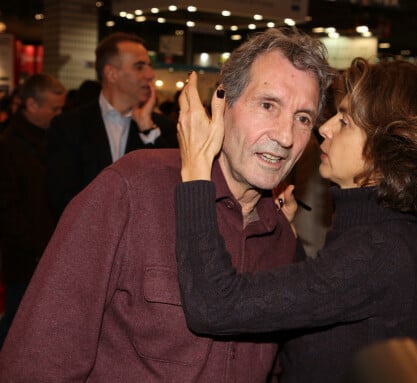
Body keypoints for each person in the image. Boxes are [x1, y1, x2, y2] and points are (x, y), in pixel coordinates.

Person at [0, 27, 334, 381]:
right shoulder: (131, 190)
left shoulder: (281, 238)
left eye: (303, 118)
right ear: (222, 104)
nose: (285, 136)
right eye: (268, 105)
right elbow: (38, 359)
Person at [174, 58, 417, 382]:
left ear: (388, 147)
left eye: (345, 121)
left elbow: (215, 305)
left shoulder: (379, 250)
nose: (324, 128)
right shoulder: (383, 236)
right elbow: (325, 317)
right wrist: (291, 236)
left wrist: (195, 171)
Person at [46, 32, 178, 218]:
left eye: (149, 66)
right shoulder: (69, 126)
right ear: (111, 73)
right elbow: (61, 196)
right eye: (139, 67)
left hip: (142, 242)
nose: (150, 74)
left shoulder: (160, 127)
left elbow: (171, 185)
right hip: (87, 238)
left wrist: (147, 129)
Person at [0, 73, 66, 347]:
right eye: (54, 109)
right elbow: (7, 210)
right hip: (25, 256)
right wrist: (37, 247)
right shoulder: (8, 147)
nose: (59, 115)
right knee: (17, 323)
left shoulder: (52, 141)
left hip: (43, 250)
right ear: (31, 105)